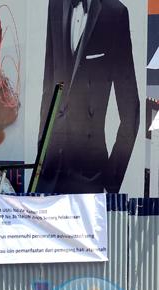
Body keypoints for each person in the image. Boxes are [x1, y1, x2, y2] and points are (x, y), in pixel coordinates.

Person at [38, 0, 140, 193]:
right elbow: (48, 87)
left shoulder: (115, 13)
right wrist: (41, 158)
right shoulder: (55, 5)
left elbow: (130, 109)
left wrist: (111, 178)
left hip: (90, 173)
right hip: (50, 172)